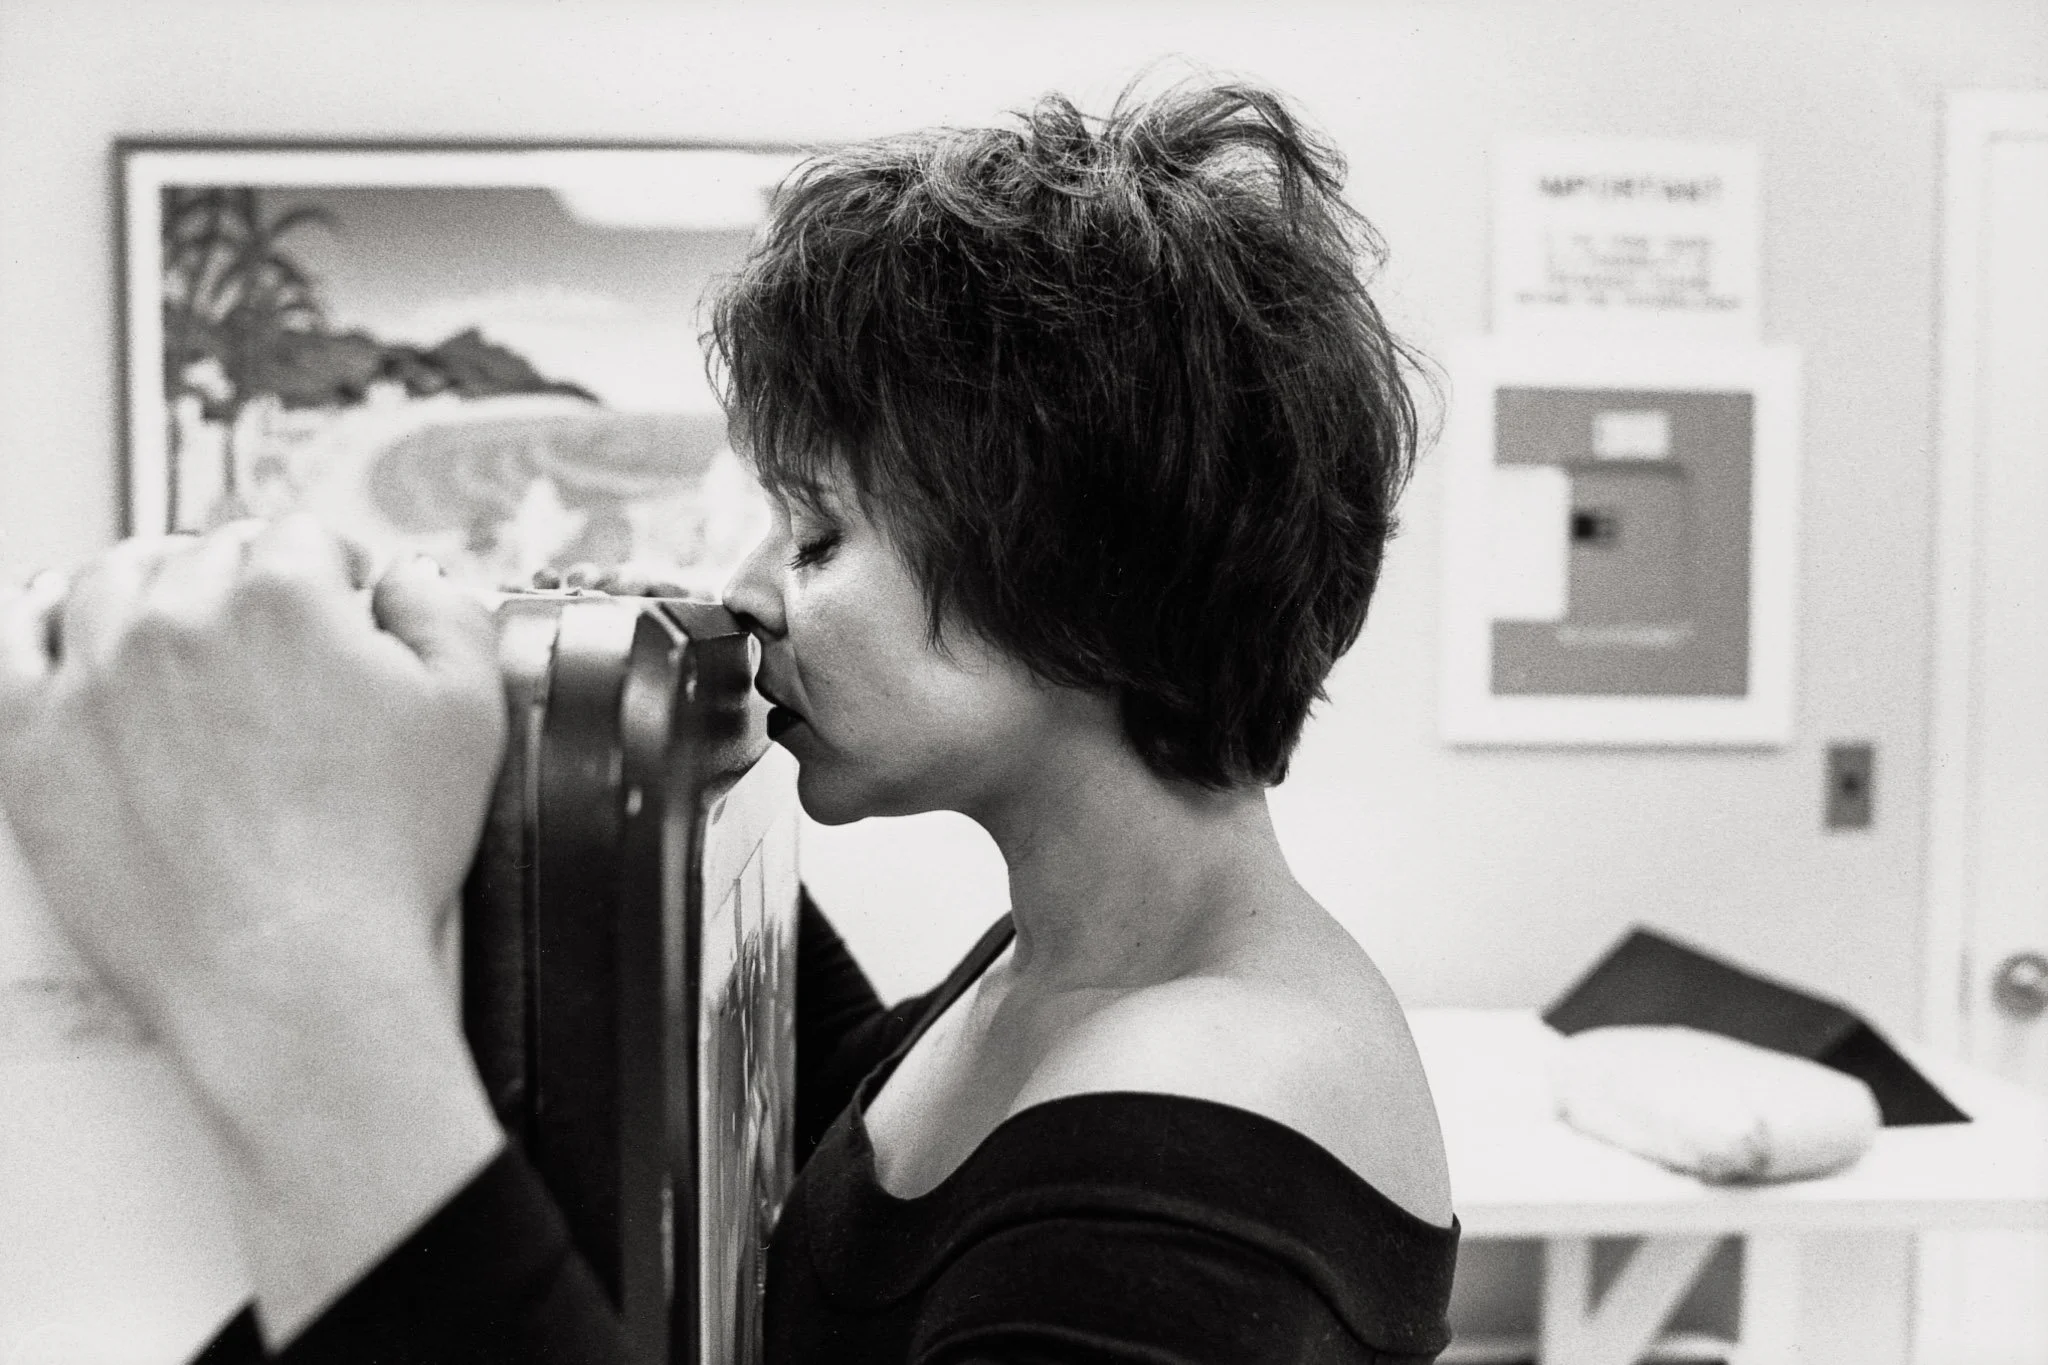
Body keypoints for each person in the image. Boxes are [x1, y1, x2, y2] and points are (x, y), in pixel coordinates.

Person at [0, 80, 1457, 1363]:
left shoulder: (1196, 1168)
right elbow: (853, 1180)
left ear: (1074, 574)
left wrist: (305, 982)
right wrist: (600, 732)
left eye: (817, 538)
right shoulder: (1084, 961)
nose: (748, 591)